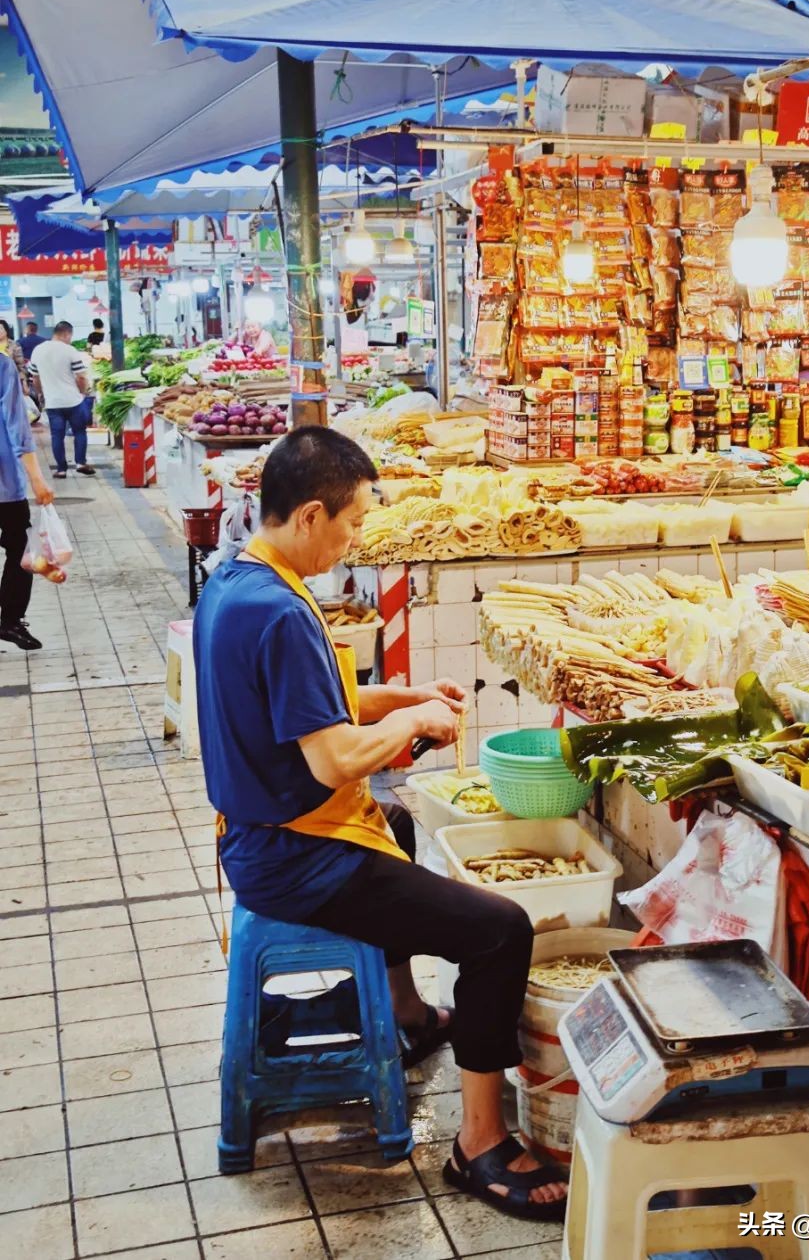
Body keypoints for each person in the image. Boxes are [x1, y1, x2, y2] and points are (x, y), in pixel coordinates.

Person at [193, 427, 568, 1222]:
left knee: (393, 820)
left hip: (258, 834)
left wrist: (402, 696)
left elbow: (305, 704)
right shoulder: (280, 611)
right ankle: (479, 1142)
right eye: (353, 523)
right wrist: (411, 724)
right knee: (498, 931)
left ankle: (406, 1014)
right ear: (310, 515)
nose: (355, 540)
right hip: (291, 855)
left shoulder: (236, 580)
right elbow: (334, 759)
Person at [0, 352, 54, 651]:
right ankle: (9, 620)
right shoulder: (1, 365)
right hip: (4, 485)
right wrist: (36, 478)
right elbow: (16, 425)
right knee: (20, 547)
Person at [28, 321, 96, 478]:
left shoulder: (38, 350)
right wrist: (83, 392)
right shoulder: (70, 350)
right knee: (79, 431)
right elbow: (81, 377)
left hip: (52, 402)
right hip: (73, 401)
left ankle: (61, 469)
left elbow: (35, 378)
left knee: (57, 435)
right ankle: (80, 463)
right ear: (66, 334)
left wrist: (41, 393)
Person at [0, 320, 29, 393]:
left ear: (6, 330)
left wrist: (23, 381)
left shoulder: (14, 345)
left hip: (11, 381)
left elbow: (21, 366)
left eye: (0, 328)